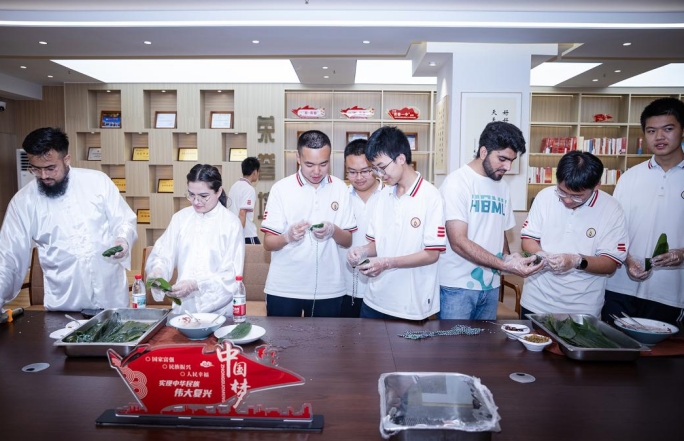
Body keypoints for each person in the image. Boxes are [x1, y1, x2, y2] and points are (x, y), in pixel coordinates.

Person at [0, 127, 137, 311]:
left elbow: (124, 220)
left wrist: (123, 239)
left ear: (66, 159)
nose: (44, 176)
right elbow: (8, 257)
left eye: (50, 168)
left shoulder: (97, 182)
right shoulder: (24, 201)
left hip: (111, 299)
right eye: (36, 169)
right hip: (65, 303)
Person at [438, 121, 543, 320]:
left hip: (491, 285)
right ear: (484, 151)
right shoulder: (457, 183)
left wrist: (509, 258)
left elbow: (499, 231)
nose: (508, 167)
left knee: (486, 341)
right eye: (502, 159)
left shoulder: (502, 186)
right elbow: (458, 242)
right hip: (457, 286)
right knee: (454, 340)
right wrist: (505, 266)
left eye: (512, 160)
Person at [347, 126, 445, 321]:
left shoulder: (431, 196)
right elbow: (377, 244)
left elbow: (432, 254)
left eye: (382, 167)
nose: (379, 174)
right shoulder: (382, 196)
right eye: (375, 169)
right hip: (374, 300)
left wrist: (387, 263)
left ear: (401, 158)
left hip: (411, 306)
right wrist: (362, 251)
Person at [602, 97, 684, 325]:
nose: (659, 137)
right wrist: (627, 259)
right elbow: (613, 229)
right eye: (651, 131)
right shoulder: (630, 177)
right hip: (620, 287)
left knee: (662, 349)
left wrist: (682, 254)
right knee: (613, 344)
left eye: (668, 129)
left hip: (670, 292)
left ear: (682, 130)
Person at [520, 151, 629, 318]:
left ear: (597, 185)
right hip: (536, 300)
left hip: (582, 307)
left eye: (577, 196)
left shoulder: (612, 209)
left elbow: (610, 263)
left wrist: (576, 261)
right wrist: (541, 255)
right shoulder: (544, 197)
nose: (568, 200)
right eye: (562, 192)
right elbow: (528, 238)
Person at [261, 130, 356, 317]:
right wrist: (288, 237)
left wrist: (332, 230)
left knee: (326, 337)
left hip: (329, 288)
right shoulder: (281, 189)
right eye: (309, 164)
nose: (317, 171)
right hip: (284, 287)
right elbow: (268, 243)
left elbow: (347, 241)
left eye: (323, 164)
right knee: (281, 337)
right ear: (298, 158)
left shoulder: (340, 188)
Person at [145, 164, 244, 316]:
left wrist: (197, 285)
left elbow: (231, 274)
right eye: (191, 195)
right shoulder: (180, 218)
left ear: (218, 191)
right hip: (184, 307)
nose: (196, 201)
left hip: (219, 310)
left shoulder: (231, 223)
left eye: (203, 196)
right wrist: (157, 271)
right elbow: (163, 253)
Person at [338, 139, 385, 318]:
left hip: (381, 286)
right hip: (344, 287)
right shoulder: (340, 197)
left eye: (365, 171)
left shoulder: (390, 196)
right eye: (352, 172)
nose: (359, 178)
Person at [228, 156, 261, 244]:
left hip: (235, 232)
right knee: (258, 252)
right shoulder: (249, 189)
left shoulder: (234, 186)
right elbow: (242, 213)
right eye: (258, 171)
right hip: (246, 234)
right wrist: (239, 235)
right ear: (255, 172)